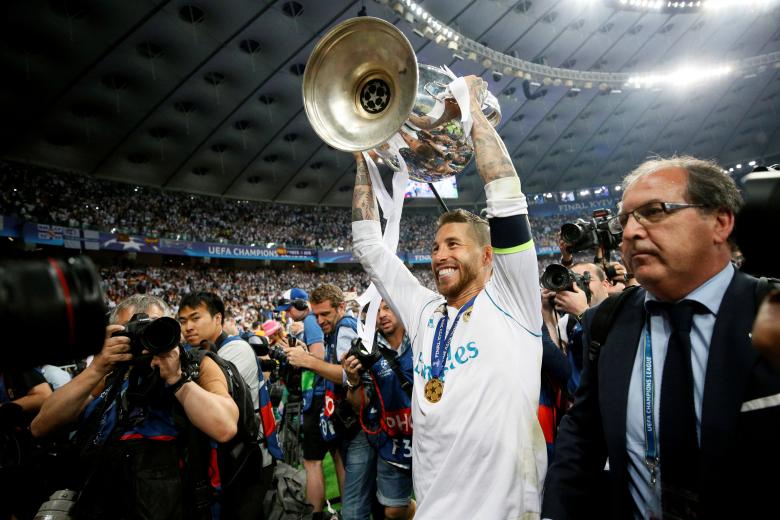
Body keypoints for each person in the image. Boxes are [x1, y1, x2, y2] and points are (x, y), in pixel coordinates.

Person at [543, 156, 780, 519]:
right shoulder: (606, 322)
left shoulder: (769, 310)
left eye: (654, 212)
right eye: (625, 220)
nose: (630, 233)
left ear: (720, 223)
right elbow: (583, 437)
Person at [352, 75, 546, 518]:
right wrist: (361, 152)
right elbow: (368, 246)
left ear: (487, 255)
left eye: (453, 245)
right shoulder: (424, 313)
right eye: (436, 246)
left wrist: (470, 108)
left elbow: (506, 196)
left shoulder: (513, 302)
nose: (440, 255)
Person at [31, 294, 239, 519]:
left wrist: (177, 379)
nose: (143, 339)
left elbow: (225, 426)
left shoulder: (195, 365)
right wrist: (97, 368)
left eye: (153, 328)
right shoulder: (109, 374)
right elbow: (41, 426)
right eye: (132, 332)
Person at [283, 284, 352, 520]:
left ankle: (318, 515)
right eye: (317, 314)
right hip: (330, 398)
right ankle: (347, 511)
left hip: (322, 397)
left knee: (313, 460)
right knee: (338, 455)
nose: (320, 320)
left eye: (324, 314)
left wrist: (305, 359)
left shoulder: (321, 323)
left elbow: (342, 372)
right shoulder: (326, 323)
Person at [342, 301, 415, 520]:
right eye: (377, 310)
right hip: (394, 444)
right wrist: (353, 380)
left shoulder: (423, 337)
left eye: (387, 307)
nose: (382, 314)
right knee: (393, 512)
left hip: (429, 440)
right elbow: (359, 405)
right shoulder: (366, 349)